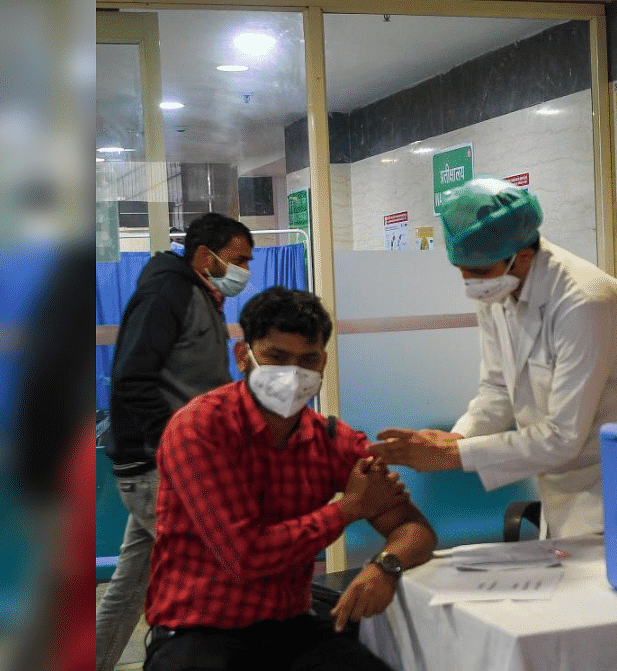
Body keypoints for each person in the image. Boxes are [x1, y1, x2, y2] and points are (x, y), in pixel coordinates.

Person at [143, 286, 436, 671]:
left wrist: (385, 567)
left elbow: (415, 529)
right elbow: (245, 556)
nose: (292, 375)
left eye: (307, 360)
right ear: (243, 357)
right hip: (200, 629)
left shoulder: (332, 439)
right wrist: (348, 509)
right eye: (276, 357)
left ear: (323, 363)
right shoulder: (201, 428)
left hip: (291, 626)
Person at [370, 177, 617, 538]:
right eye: (462, 271)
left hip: (615, 491)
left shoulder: (584, 302)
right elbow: (498, 389)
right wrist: (455, 440)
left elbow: (563, 437)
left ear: (524, 256)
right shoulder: (499, 290)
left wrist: (455, 457)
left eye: (480, 272)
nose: (470, 283)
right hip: (559, 493)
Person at [97, 211, 255, 671]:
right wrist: (177, 449)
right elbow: (131, 379)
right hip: (157, 469)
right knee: (224, 570)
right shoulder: (168, 292)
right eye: (238, 259)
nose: (244, 270)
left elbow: (192, 384)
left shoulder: (200, 295)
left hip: (164, 465)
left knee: (128, 587)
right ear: (206, 257)